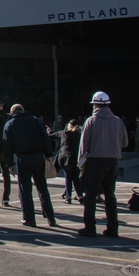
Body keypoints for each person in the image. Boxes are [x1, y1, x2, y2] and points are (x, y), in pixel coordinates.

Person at [77, 91, 128, 238]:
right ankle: (113, 228)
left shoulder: (91, 121)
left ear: (95, 105)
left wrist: (81, 163)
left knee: (91, 196)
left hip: (95, 161)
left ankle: (90, 228)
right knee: (110, 196)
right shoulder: (118, 121)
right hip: (113, 161)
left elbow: (84, 145)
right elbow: (125, 142)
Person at [2, 104, 58, 228]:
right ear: (23, 110)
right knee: (42, 187)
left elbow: (7, 146)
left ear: (12, 112)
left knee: (25, 189)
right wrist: (48, 155)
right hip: (38, 156)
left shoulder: (10, 124)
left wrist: (9, 164)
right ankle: (50, 217)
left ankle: (29, 219)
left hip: (22, 158)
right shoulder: (34, 120)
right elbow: (45, 137)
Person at [58, 119, 85, 204]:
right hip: (77, 159)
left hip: (66, 158)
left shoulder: (64, 133)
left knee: (68, 177)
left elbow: (51, 136)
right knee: (76, 178)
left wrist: (48, 131)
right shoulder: (80, 135)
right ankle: (80, 196)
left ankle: (68, 197)